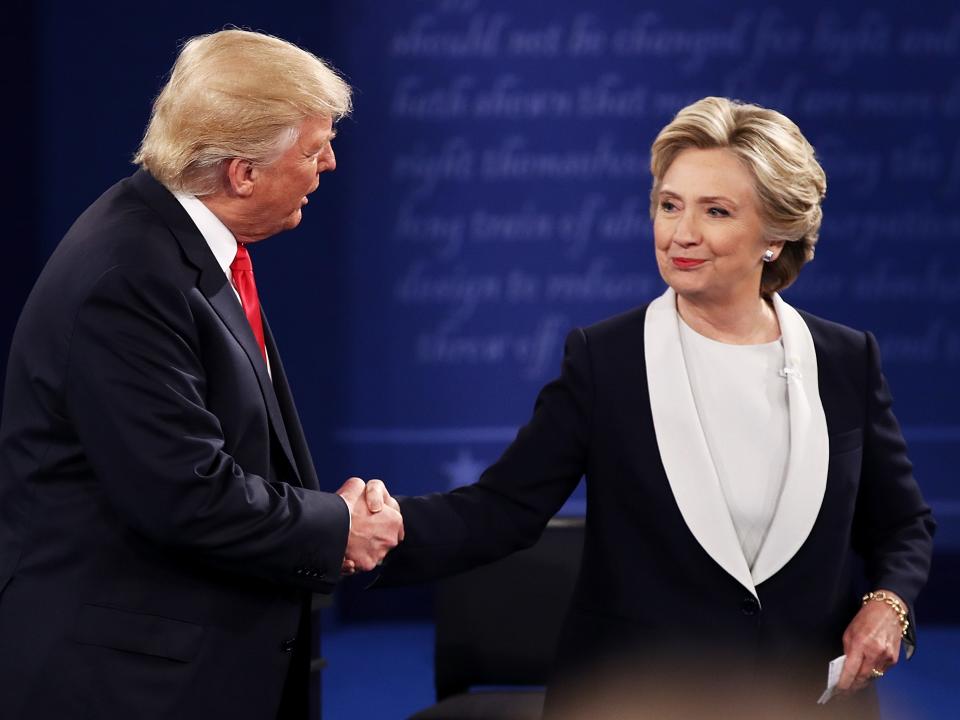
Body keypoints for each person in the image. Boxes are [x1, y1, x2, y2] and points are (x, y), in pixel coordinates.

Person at [378, 97, 934, 717]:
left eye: (715, 211)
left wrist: (890, 605)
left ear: (776, 236)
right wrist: (375, 532)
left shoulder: (845, 358)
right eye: (669, 205)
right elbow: (503, 509)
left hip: (811, 700)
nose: (681, 233)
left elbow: (902, 524)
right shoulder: (605, 359)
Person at [0, 30, 402, 720]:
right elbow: (184, 495)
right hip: (127, 686)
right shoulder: (127, 277)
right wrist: (336, 526)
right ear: (242, 172)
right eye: (313, 149)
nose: (329, 164)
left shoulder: (178, 246)